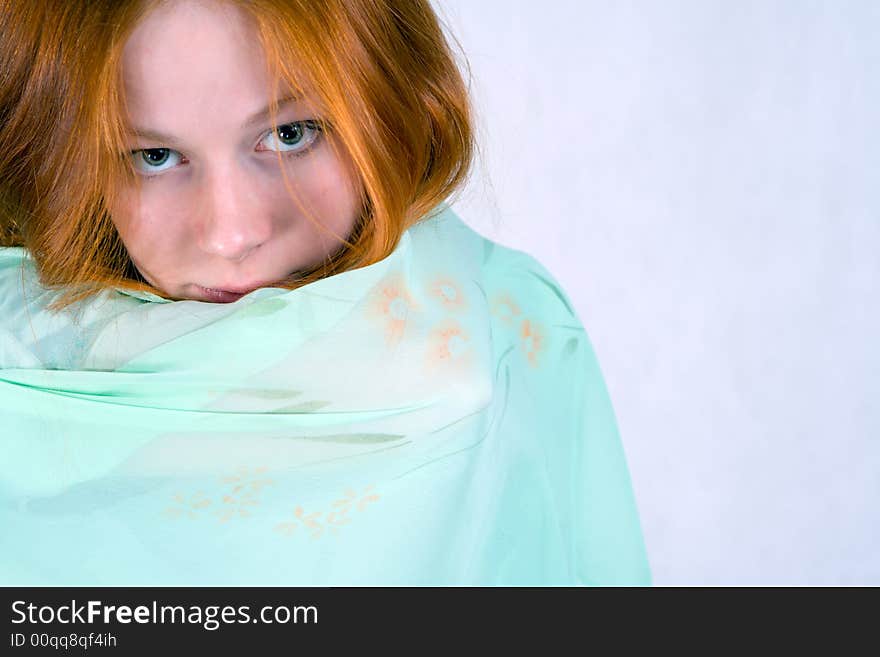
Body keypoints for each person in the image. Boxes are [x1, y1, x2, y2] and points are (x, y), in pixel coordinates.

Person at [0, 0, 651, 585]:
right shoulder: (19, 367)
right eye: (154, 156)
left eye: (290, 134)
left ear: (391, 108)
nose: (231, 233)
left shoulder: (496, 340)